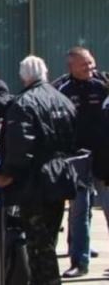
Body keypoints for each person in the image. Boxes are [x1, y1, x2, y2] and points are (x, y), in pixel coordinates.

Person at [0, 55, 77, 285]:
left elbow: (21, 145)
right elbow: (75, 140)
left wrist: (8, 174)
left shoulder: (23, 103)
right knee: (49, 238)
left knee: (38, 245)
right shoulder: (63, 100)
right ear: (46, 72)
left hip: (34, 183)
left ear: (23, 77)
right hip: (60, 177)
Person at [52, 47, 108, 278]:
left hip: (105, 157)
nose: (90, 68)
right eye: (84, 65)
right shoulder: (62, 88)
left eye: (92, 63)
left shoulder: (103, 84)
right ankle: (79, 262)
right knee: (79, 211)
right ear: (71, 66)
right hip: (76, 158)